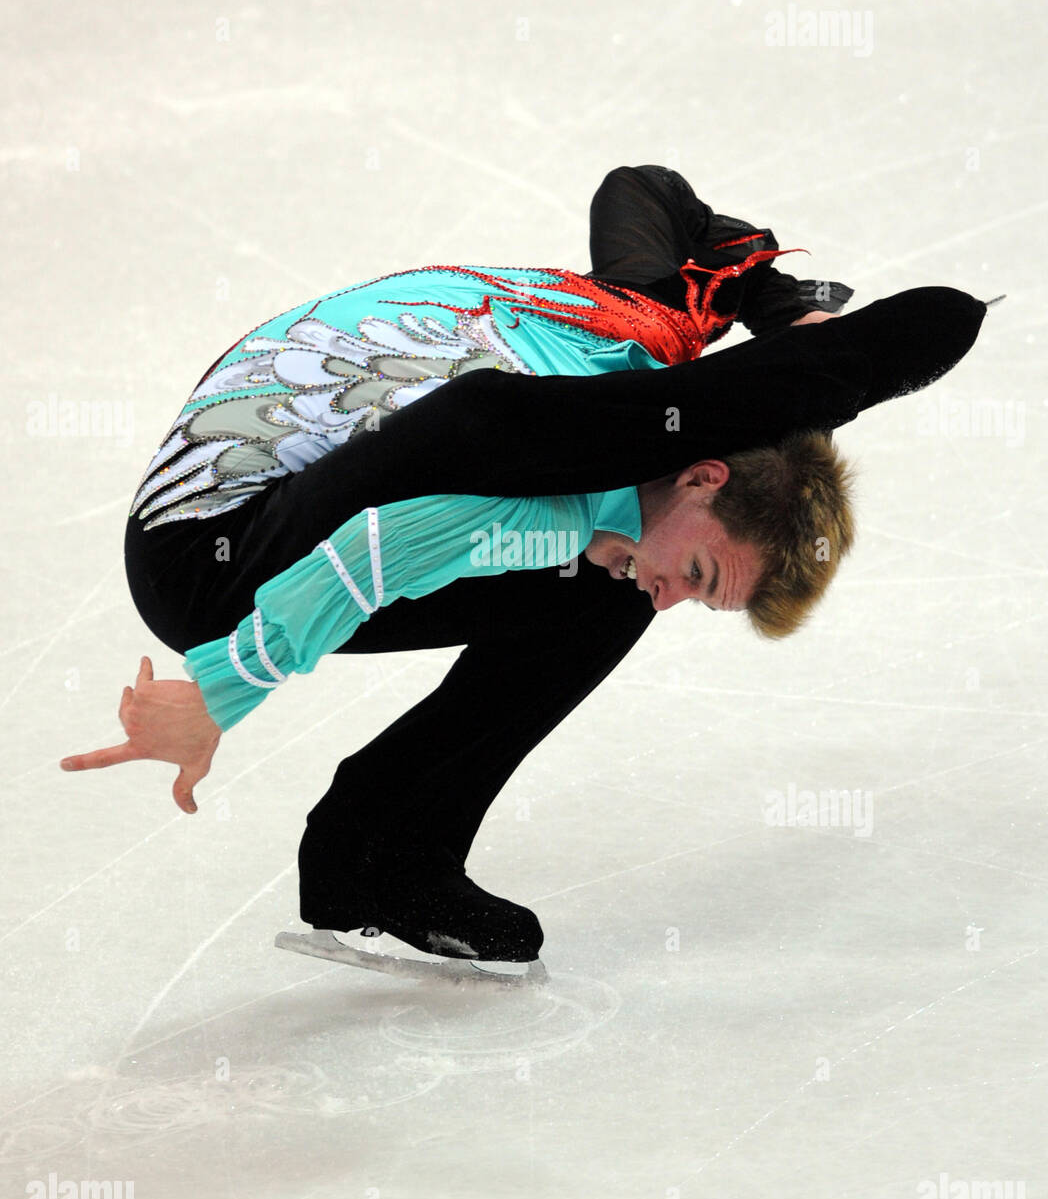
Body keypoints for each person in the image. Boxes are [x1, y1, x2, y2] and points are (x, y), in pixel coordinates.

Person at [59, 167, 988, 965]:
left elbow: (646, 191)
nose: (677, 601)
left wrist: (773, 305)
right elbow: (378, 549)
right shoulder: (549, 485)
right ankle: (383, 856)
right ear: (704, 476)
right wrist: (219, 690)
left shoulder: (645, 322)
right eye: (702, 575)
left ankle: (374, 849)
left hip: (322, 456)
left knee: (618, 575)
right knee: (606, 587)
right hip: (205, 561)